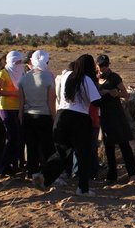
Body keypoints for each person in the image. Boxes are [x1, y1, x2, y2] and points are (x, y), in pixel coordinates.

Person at [37, 54, 101, 196]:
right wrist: (108, 95)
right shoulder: (86, 79)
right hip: (79, 119)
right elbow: (96, 102)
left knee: (62, 151)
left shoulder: (65, 76)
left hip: (61, 116)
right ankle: (82, 188)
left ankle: (44, 175)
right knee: (83, 154)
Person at [95, 54, 135, 184]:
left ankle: (133, 174)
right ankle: (111, 176)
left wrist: (114, 93)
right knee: (108, 146)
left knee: (123, 144)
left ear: (108, 65)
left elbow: (126, 94)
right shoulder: (96, 79)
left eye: (104, 65)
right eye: (100, 66)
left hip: (116, 115)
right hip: (104, 115)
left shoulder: (114, 77)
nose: (102, 68)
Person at [17, 50, 55, 181]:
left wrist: (20, 117)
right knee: (47, 146)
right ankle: (48, 173)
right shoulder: (48, 77)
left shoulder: (24, 78)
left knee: (31, 146)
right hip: (44, 116)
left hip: (28, 116)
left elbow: (21, 102)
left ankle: (31, 172)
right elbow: (51, 101)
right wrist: (54, 118)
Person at [0, 50, 25, 176]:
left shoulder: (20, 73)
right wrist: (14, 94)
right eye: (16, 62)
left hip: (17, 108)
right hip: (5, 108)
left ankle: (13, 164)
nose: (19, 64)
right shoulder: (3, 74)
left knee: (17, 138)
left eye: (20, 61)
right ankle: (4, 166)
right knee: (12, 137)